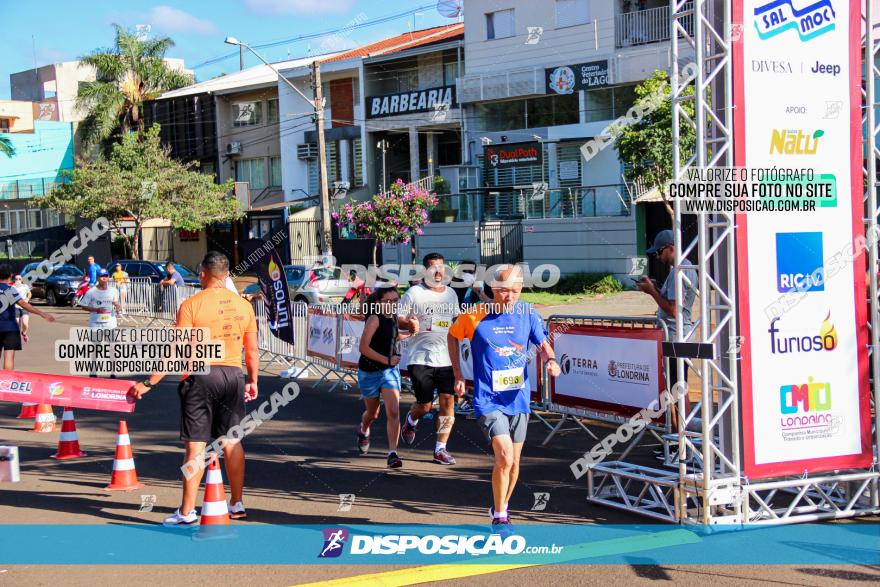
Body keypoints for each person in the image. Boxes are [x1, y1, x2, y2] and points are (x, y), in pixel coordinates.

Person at [128, 252, 259, 525]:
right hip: (234, 374)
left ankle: (187, 511)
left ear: (202, 274)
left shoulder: (191, 304)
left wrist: (150, 382)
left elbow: (174, 351)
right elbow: (253, 351)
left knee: (196, 445)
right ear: (226, 275)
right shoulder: (244, 306)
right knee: (232, 441)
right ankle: (236, 503)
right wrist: (253, 380)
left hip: (201, 376)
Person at [447, 264, 561, 532]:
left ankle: (502, 506)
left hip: (518, 398)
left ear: (521, 289)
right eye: (502, 291)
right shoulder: (475, 315)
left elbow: (542, 343)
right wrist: (458, 374)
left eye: (514, 290)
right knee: (505, 456)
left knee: (514, 463)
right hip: (488, 399)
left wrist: (551, 360)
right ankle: (499, 517)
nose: (508, 296)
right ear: (492, 289)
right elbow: (452, 337)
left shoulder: (527, 313)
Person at [398, 253, 461, 465]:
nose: (438, 271)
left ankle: (440, 449)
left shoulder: (451, 294)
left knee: (447, 403)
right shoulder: (414, 293)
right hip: (420, 357)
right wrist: (409, 324)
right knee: (424, 406)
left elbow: (455, 323)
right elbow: (399, 317)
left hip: (446, 358)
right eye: (434, 267)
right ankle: (410, 420)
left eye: (442, 267)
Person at [356, 285, 413, 469]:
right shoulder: (374, 319)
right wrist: (387, 360)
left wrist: (409, 334)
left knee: (394, 411)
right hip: (369, 372)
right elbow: (364, 348)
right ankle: (364, 429)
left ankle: (392, 453)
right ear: (379, 303)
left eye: (396, 301)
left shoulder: (394, 318)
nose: (393, 304)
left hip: (389, 373)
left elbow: (391, 337)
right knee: (373, 414)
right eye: (388, 302)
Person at [637, 229, 698, 398]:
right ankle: (681, 423)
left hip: (676, 337)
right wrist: (656, 288)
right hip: (679, 336)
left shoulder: (680, 272)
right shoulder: (683, 269)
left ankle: (680, 424)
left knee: (675, 388)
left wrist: (652, 292)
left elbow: (673, 310)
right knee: (679, 386)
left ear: (670, 248)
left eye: (658, 251)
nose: (657, 256)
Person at [0, 265, 55, 369]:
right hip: (10, 328)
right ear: (10, 276)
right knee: (9, 357)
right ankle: (8, 382)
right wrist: (42, 314)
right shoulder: (10, 290)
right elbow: (24, 304)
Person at [12, 275, 32, 343]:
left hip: (24, 307)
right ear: (14, 280)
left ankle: (24, 333)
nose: (18, 280)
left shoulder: (25, 286)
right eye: (16, 279)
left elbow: (29, 294)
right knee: (16, 323)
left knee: (25, 323)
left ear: (22, 280)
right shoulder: (12, 287)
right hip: (15, 307)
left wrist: (27, 298)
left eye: (19, 279)